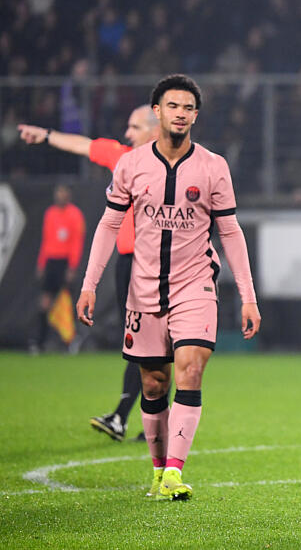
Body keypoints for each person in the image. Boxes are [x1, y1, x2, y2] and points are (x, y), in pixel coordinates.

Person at [76, 74, 261, 500]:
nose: (181, 114)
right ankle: (159, 471)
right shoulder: (131, 164)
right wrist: (90, 284)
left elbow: (230, 232)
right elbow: (109, 224)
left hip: (195, 284)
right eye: (173, 106)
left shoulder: (214, 166)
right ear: (157, 111)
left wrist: (248, 296)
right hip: (142, 290)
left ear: (196, 115)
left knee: (191, 370)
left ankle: (175, 471)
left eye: (188, 108)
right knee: (154, 385)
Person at [19, 106, 160, 441]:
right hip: (128, 263)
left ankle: (125, 418)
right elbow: (83, 145)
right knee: (147, 342)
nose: (127, 133)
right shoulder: (122, 158)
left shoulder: (172, 167)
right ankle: (148, 421)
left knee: (148, 342)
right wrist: (48, 135)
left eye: (134, 126)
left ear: (155, 131)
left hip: (157, 263)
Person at [31, 185, 85, 352]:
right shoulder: (50, 214)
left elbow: (77, 242)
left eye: (63, 193)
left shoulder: (75, 215)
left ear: (68, 195)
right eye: (57, 193)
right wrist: (42, 264)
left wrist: (72, 267)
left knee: (67, 302)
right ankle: (39, 342)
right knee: (45, 302)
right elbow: (46, 240)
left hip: (65, 262)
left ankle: (72, 340)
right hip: (51, 262)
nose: (59, 196)